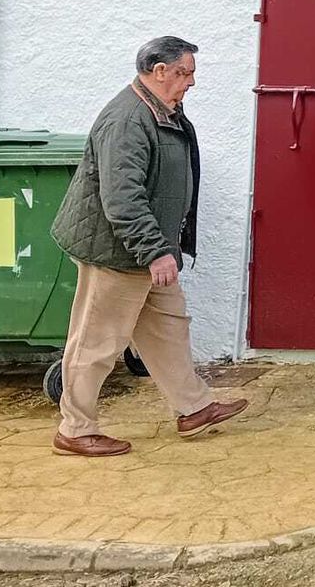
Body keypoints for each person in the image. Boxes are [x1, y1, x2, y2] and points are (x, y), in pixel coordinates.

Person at [48, 37, 248, 457]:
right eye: (185, 73)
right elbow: (121, 199)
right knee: (97, 342)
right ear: (159, 71)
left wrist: (162, 248)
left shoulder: (162, 110)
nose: (191, 82)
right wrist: (154, 249)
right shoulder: (128, 121)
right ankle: (75, 428)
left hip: (149, 250)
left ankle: (194, 407)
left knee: (168, 328)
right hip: (119, 252)